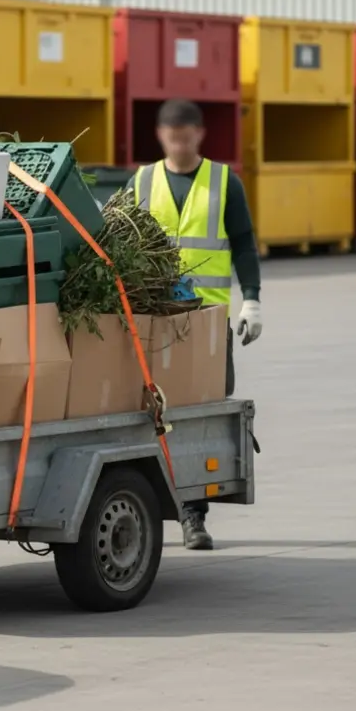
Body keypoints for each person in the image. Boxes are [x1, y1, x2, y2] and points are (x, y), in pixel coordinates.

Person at [123, 98, 263, 551]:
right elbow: (115, 238)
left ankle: (193, 517)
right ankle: (164, 507)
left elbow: (243, 244)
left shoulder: (224, 182)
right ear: (161, 136)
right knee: (156, 419)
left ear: (199, 135)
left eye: (186, 136)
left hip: (206, 322)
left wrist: (253, 301)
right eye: (172, 136)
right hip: (154, 320)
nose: (179, 144)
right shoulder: (142, 181)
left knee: (201, 419)